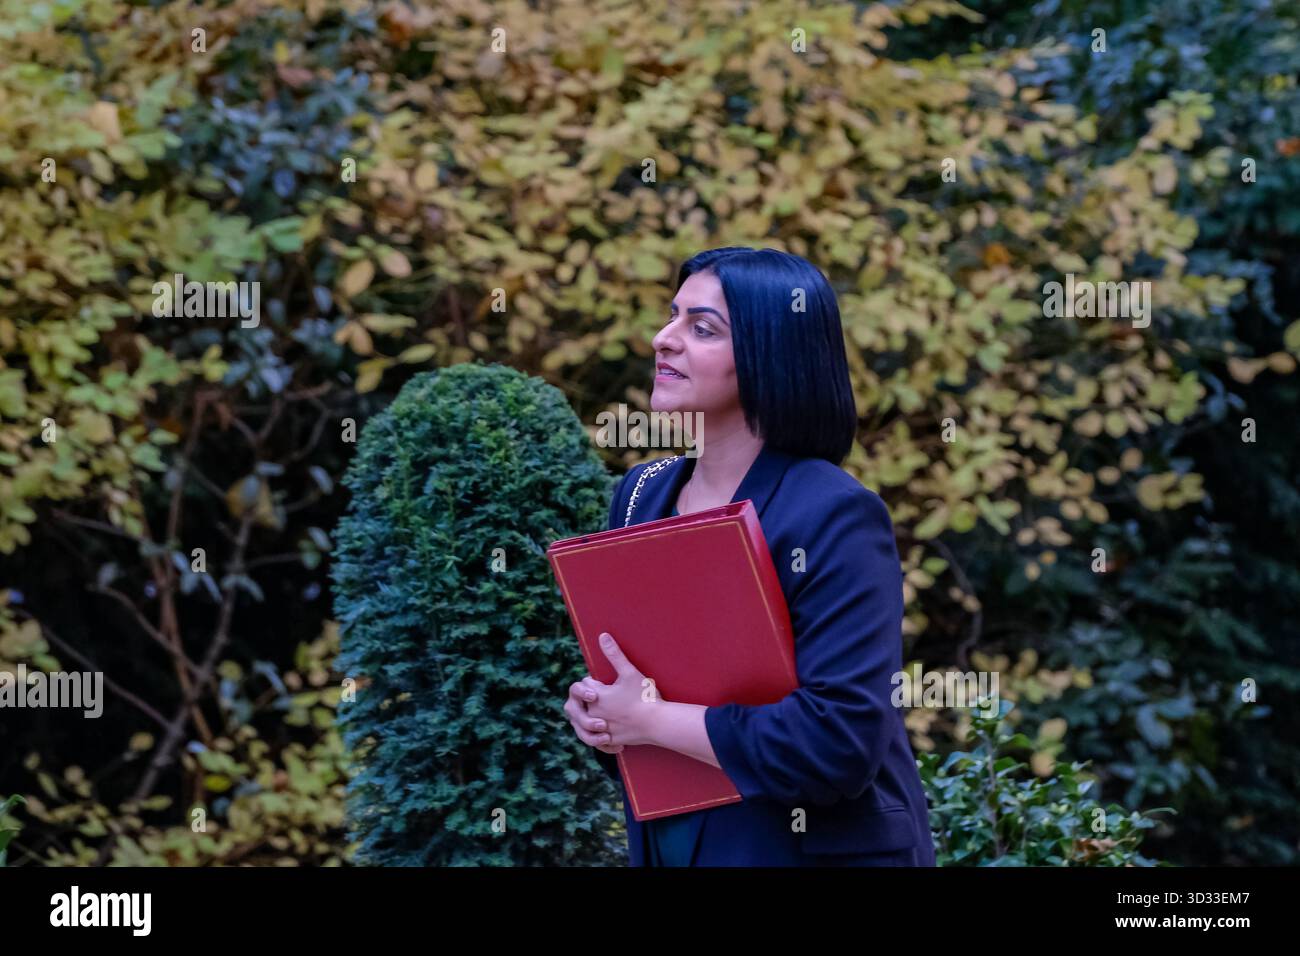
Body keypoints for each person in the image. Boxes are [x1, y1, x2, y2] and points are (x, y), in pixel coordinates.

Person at [562, 247, 936, 866]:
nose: (664, 339)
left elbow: (838, 743)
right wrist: (603, 719)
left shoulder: (834, 514)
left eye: (702, 328)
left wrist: (651, 720)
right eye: (672, 317)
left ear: (770, 355)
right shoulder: (638, 494)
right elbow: (639, 694)